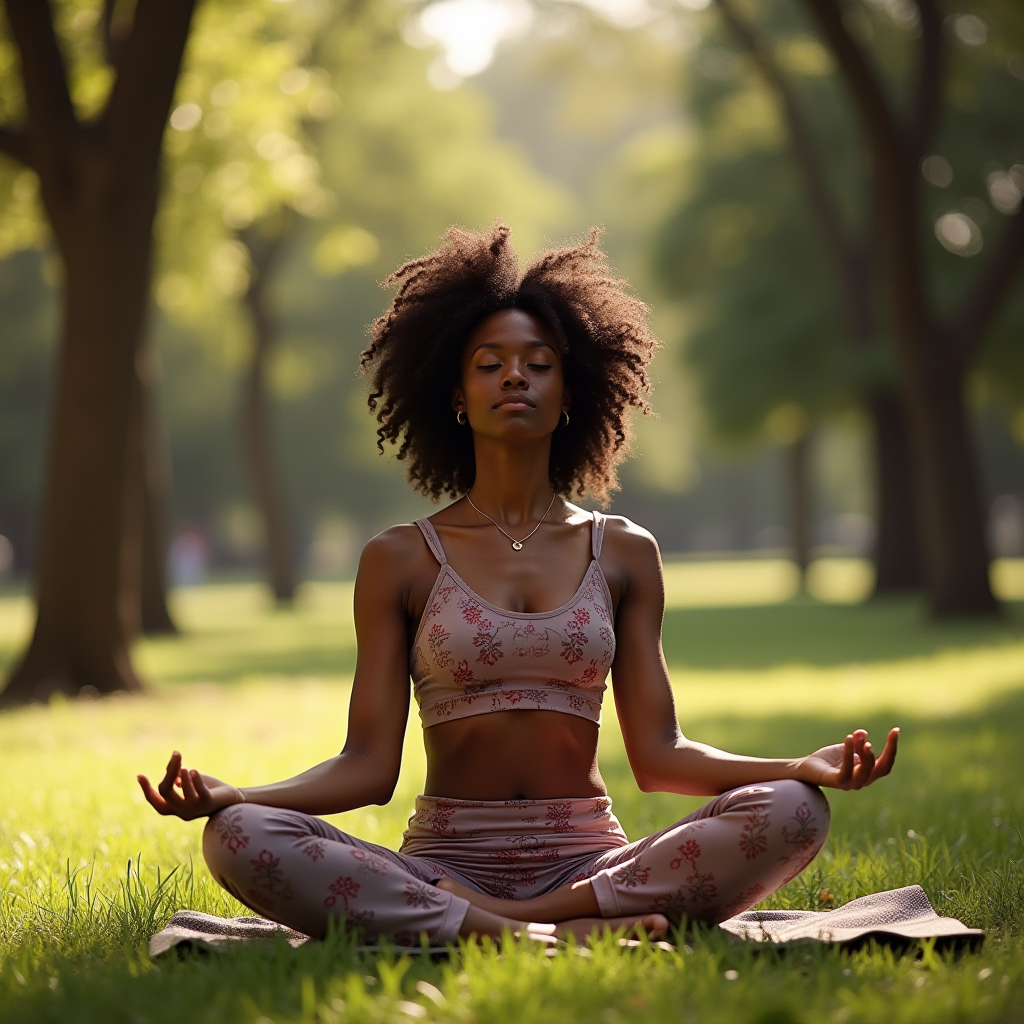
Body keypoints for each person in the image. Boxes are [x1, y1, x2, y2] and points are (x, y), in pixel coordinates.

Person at [139, 223, 898, 947]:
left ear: (570, 394)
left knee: (797, 810)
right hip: (443, 868)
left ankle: (511, 922)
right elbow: (367, 768)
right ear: (455, 395)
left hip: (591, 864)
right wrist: (239, 794)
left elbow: (661, 755)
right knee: (240, 837)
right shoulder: (399, 558)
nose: (514, 375)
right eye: (488, 362)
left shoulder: (624, 551)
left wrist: (797, 767)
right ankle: (531, 929)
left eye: (538, 363)